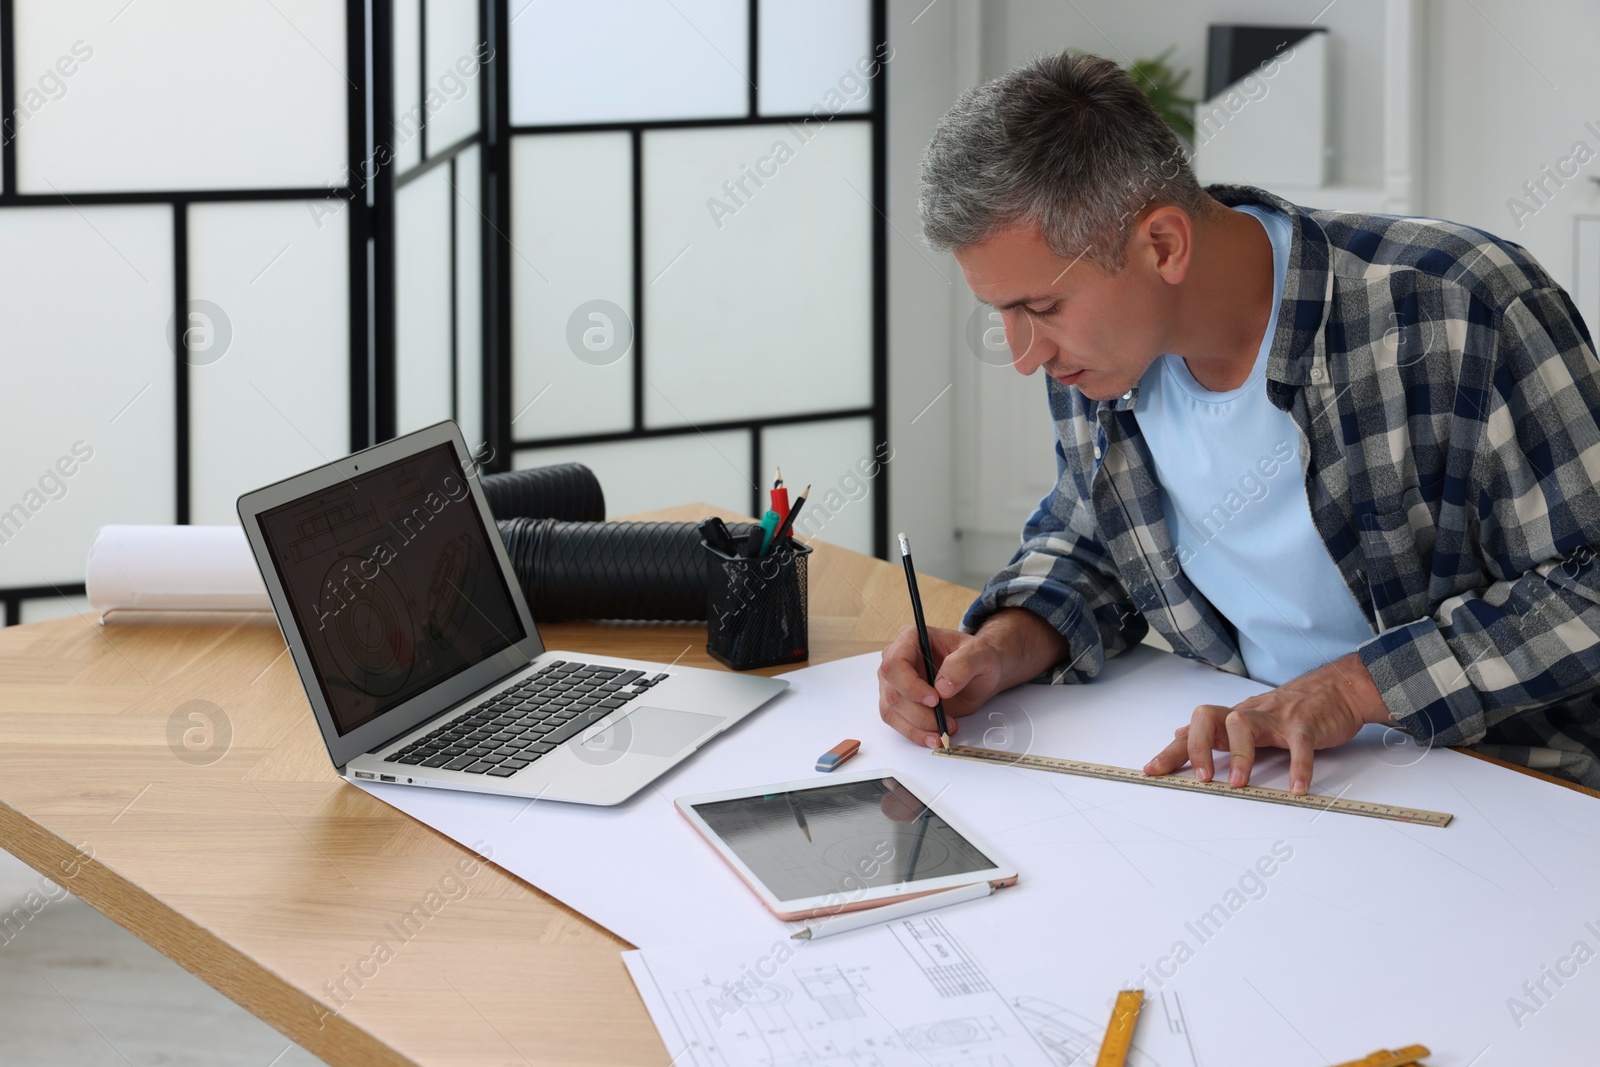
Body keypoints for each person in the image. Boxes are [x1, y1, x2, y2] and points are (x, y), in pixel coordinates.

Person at [878, 50, 1600, 793]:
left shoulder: (1459, 306)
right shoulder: (1099, 359)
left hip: (1514, 784)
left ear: (1162, 245)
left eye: (1040, 308)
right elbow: (1094, 545)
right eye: (1003, 312)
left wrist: (1353, 689)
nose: (1024, 356)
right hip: (1274, 781)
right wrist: (997, 649)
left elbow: (1590, 584)